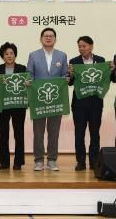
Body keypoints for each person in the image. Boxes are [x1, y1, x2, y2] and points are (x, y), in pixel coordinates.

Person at [27, 27, 69, 171]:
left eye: (51, 36)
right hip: (38, 99)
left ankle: (52, 160)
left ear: (55, 39)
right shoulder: (33, 55)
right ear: (41, 39)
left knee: (54, 132)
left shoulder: (62, 55)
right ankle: (38, 160)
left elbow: (65, 75)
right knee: (38, 132)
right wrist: (29, 81)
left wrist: (67, 78)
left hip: (56, 100)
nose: (48, 38)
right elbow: (30, 74)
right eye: (46, 36)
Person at [68, 36, 105, 171]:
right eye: (79, 46)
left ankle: (94, 162)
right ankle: (81, 162)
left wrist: (111, 69)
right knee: (79, 133)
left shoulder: (100, 60)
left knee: (95, 133)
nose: (81, 48)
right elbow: (70, 82)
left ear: (91, 46)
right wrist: (70, 75)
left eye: (84, 46)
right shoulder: (74, 61)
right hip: (79, 103)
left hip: (96, 103)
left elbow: (106, 78)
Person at [0, 42, 27, 170]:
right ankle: (4, 162)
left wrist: (27, 83)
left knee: (19, 134)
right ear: (2, 56)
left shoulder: (22, 68)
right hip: (3, 105)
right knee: (3, 134)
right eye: (6, 54)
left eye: (11, 53)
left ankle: (18, 162)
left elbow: (27, 84)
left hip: (18, 104)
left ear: (15, 55)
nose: (9, 56)